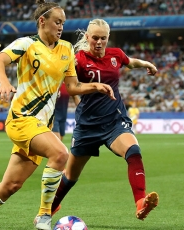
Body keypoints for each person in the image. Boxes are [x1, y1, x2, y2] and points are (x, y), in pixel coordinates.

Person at [0, 1, 114, 230]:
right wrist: (6, 83)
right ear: (42, 21)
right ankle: (44, 217)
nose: (61, 27)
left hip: (41, 126)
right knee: (60, 153)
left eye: (63, 23)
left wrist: (95, 87)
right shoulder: (27, 44)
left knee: (11, 184)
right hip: (21, 119)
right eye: (57, 22)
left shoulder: (67, 49)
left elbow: (72, 86)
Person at [51, 19, 159, 221]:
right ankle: (51, 207)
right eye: (95, 38)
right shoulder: (78, 60)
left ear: (108, 38)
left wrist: (147, 64)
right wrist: (95, 87)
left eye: (103, 38)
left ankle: (140, 201)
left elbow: (131, 62)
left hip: (114, 120)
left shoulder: (116, 55)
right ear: (87, 38)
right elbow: (72, 87)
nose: (99, 42)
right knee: (70, 176)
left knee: (133, 151)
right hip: (87, 125)